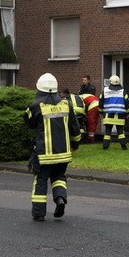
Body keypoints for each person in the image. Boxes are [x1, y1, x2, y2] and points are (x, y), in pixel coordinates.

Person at [25, 73, 81, 222]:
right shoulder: (66, 105)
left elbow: (28, 122)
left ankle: (39, 213)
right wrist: (75, 144)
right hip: (63, 154)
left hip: (44, 155)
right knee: (59, 177)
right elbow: (75, 129)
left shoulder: (36, 106)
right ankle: (60, 199)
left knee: (41, 180)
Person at [100, 75, 129, 150]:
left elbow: (101, 101)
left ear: (110, 82)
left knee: (107, 131)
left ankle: (105, 147)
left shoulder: (105, 90)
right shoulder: (122, 91)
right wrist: (128, 112)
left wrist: (100, 111)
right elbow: (127, 102)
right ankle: (124, 146)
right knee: (120, 131)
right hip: (120, 115)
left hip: (108, 114)